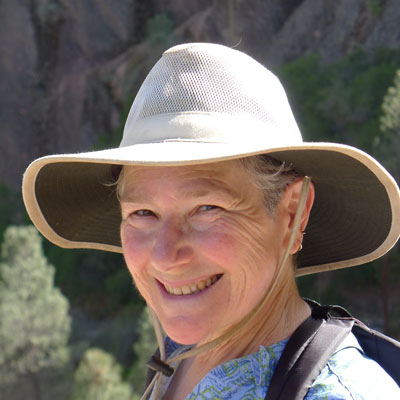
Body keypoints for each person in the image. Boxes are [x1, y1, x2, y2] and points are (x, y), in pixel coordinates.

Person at [22, 43, 400, 399]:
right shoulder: (177, 359)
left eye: (206, 209)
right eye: (143, 213)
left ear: (291, 212)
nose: (167, 254)